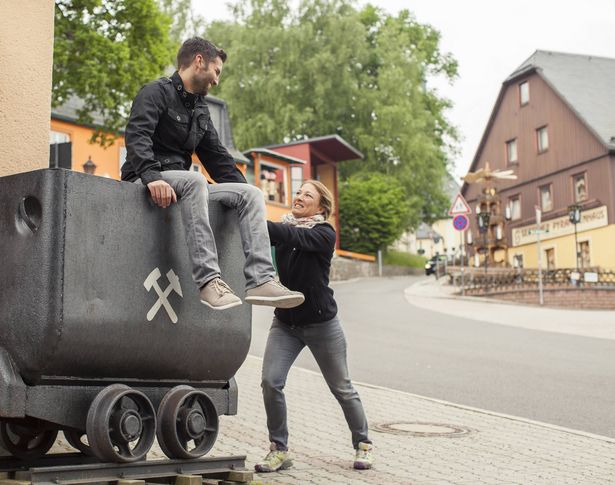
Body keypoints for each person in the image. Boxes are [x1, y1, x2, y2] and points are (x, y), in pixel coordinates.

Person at [122, 37, 304, 311]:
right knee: (195, 180)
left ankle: (261, 279)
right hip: (144, 179)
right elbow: (137, 137)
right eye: (216, 71)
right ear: (199, 61)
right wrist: (152, 176)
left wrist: (242, 201)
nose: (217, 81)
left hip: (183, 184)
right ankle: (209, 283)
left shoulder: (199, 110)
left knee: (251, 193)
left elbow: (220, 161)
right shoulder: (155, 92)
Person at [255, 180, 374, 473]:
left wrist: (253, 215)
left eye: (307, 194)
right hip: (285, 323)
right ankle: (279, 450)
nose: (298, 197)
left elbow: (291, 236)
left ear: (321, 206)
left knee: (342, 388)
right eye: (297, 192)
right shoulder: (285, 228)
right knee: (271, 381)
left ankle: (363, 444)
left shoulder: (323, 233)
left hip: (322, 324)